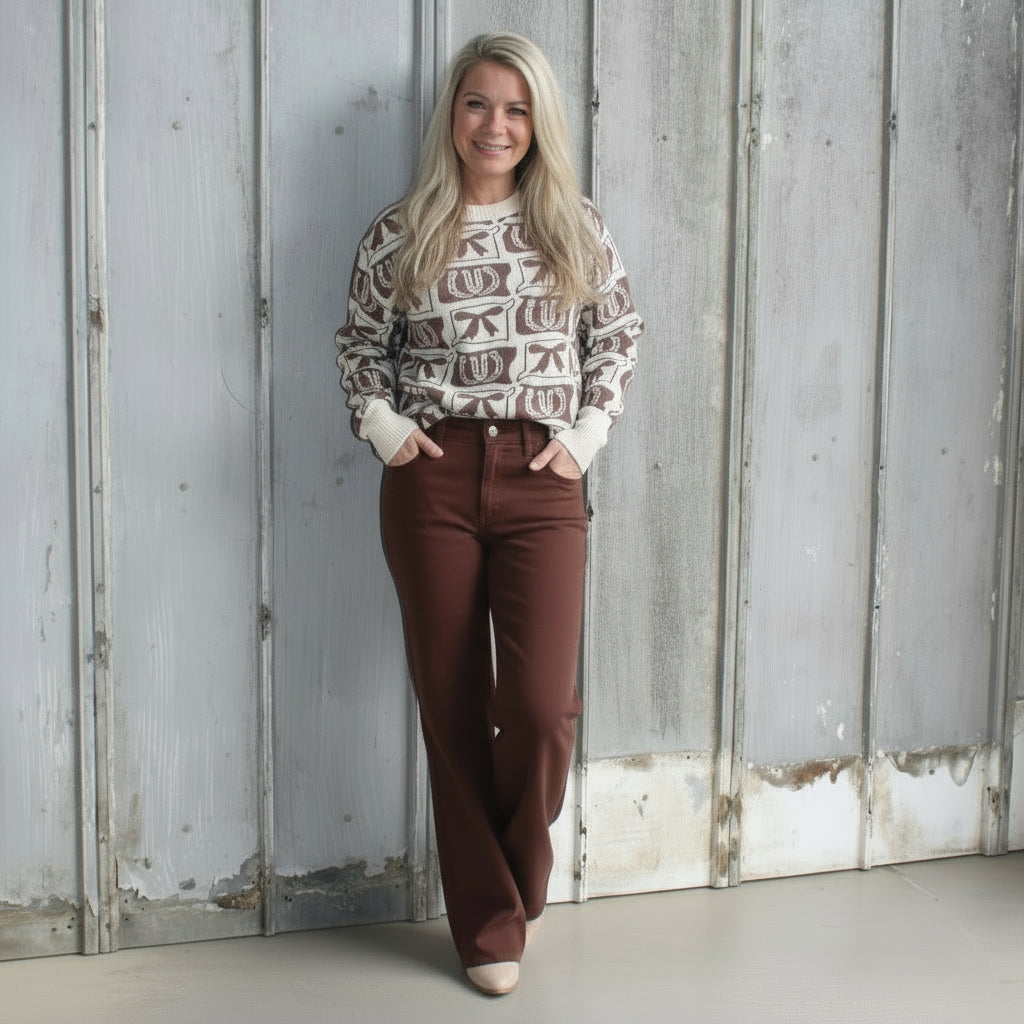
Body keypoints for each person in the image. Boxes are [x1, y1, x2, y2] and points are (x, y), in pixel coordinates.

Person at [334, 31, 642, 996]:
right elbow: (357, 344)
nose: (495, 125)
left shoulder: (572, 224)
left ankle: (518, 878)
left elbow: (618, 335)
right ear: (452, 116)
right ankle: (488, 921)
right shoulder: (403, 229)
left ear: (536, 120)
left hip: (543, 477)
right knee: (453, 703)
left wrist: (585, 439)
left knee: (543, 708)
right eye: (477, 104)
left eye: (515, 108)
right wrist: (384, 427)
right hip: (431, 476)